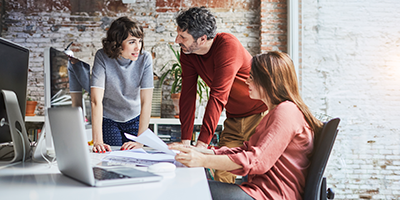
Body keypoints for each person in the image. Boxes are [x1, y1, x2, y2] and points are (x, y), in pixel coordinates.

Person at [170, 52, 324, 200]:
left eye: (251, 77)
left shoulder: (286, 111)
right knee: (190, 187)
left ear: (267, 81)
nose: (246, 81)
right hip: (261, 191)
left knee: (188, 188)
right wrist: (201, 152)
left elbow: (256, 161)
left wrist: (202, 161)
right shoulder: (276, 112)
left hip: (272, 195)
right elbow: (245, 151)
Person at [175, 6, 268, 183]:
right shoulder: (188, 52)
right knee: (222, 175)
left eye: (183, 37)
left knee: (260, 173)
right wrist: (186, 141)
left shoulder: (227, 45)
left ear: (202, 39)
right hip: (234, 120)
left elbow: (218, 96)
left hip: (260, 117)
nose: (177, 40)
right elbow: (188, 94)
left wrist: (201, 145)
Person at [90, 16, 154, 153]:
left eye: (140, 41)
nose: (138, 47)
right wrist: (98, 141)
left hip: (135, 118)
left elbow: (147, 102)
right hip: (109, 120)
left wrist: (140, 140)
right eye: (132, 42)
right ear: (118, 43)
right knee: (112, 157)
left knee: (136, 157)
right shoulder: (102, 57)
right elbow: (96, 100)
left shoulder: (145, 58)